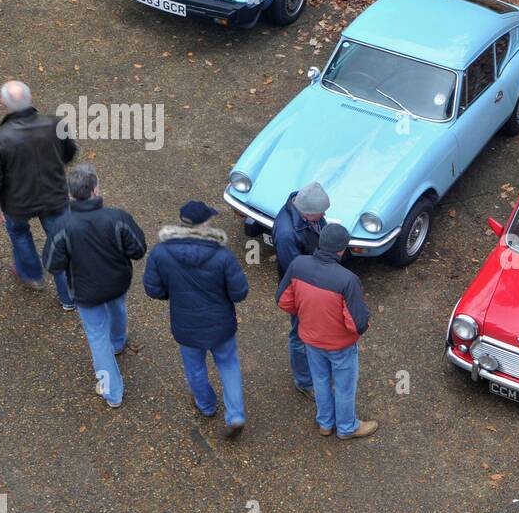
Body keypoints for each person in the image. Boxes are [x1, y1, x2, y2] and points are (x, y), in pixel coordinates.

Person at [43, 164, 147, 408]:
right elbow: (138, 250)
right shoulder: (118, 218)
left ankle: (112, 394)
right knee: (118, 309)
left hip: (85, 292)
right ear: (96, 190)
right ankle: (119, 342)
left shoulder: (62, 226)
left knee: (97, 339)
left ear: (69, 194)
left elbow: (52, 264)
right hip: (117, 282)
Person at [144, 200, 249, 438]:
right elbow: (239, 292)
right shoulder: (222, 255)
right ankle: (235, 415)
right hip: (221, 325)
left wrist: (174, 295)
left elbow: (152, 289)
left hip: (186, 325)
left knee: (195, 367)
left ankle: (206, 405)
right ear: (205, 224)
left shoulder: (161, 252)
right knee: (228, 364)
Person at [276, 222, 376, 439]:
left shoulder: (297, 265)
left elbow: (283, 300)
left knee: (320, 380)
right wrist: (365, 322)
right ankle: (347, 427)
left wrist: (305, 315)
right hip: (340, 345)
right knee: (344, 386)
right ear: (341, 250)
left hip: (311, 340)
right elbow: (357, 323)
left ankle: (325, 423)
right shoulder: (347, 280)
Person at [0, 80, 76, 309]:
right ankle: (68, 298)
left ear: (4, 103)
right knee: (60, 244)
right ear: (30, 97)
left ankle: (32, 275)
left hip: (17, 203)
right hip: (54, 196)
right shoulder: (56, 123)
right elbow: (69, 152)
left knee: (19, 234)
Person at [271, 182, 328, 395]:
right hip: (301, 291)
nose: (324, 216)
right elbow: (295, 269)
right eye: (320, 213)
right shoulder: (287, 233)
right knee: (299, 335)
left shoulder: (305, 212)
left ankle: (312, 367)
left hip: (313, 281)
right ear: (306, 213)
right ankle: (304, 381)